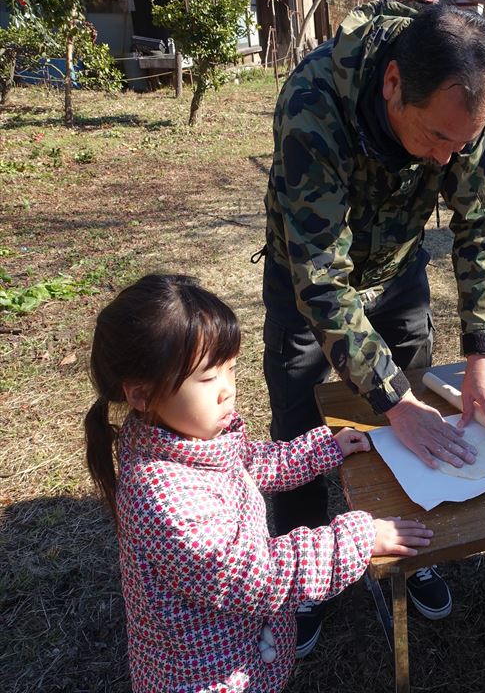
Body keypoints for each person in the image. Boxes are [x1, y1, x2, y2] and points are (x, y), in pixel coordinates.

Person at [261, 0, 485, 638]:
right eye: (435, 139)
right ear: (394, 83)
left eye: (458, 145)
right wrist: (391, 397)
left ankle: (407, 547)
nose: (442, 160)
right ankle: (304, 569)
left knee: (416, 424)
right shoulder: (313, 104)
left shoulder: (461, 103)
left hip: (396, 268)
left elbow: (482, 227)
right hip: (307, 282)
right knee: (300, 427)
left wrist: (483, 353)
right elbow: (320, 277)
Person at [84, 274, 432, 692]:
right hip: (210, 676)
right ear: (141, 395)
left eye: (230, 369)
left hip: (241, 646)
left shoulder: (192, 440)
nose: (227, 390)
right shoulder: (163, 498)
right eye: (207, 378)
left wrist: (322, 449)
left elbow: (250, 462)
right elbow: (254, 576)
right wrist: (357, 539)